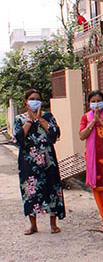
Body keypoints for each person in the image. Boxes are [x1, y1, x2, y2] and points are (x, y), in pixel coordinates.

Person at [13, 88, 66, 235]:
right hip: (28, 162)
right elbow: (17, 138)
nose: (34, 101)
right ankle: (33, 224)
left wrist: (40, 119)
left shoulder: (48, 116)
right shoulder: (20, 119)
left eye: (37, 98)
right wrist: (30, 120)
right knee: (30, 191)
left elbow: (55, 133)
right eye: (31, 99)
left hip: (48, 160)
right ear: (26, 102)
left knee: (52, 189)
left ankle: (53, 224)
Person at [79, 90, 103, 231]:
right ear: (88, 103)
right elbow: (82, 135)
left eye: (99, 100)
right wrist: (93, 121)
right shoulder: (85, 117)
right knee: (98, 191)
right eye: (93, 101)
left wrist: (100, 120)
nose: (96, 104)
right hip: (93, 160)